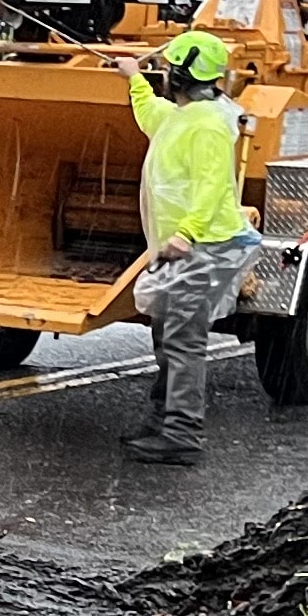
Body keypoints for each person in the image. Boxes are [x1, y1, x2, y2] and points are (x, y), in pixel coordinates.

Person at [123, 29, 257, 466]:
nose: (162, 76)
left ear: (179, 75)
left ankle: (182, 434)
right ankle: (164, 419)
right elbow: (149, 114)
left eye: (165, 69)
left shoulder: (207, 127)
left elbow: (213, 186)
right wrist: (133, 78)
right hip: (184, 247)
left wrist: (187, 233)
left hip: (205, 246)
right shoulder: (181, 117)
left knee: (182, 338)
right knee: (168, 332)